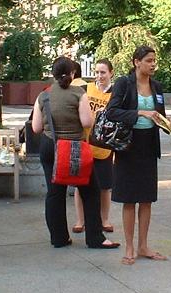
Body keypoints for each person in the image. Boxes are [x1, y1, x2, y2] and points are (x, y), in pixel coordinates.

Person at [31, 57, 120, 250]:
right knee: (91, 191)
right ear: (73, 74)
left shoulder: (43, 96)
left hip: (50, 147)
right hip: (74, 149)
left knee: (54, 193)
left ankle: (59, 238)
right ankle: (95, 238)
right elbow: (87, 122)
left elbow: (36, 127)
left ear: (53, 74)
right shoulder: (79, 93)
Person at [106, 46, 168, 265]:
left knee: (147, 198)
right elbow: (112, 111)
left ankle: (144, 245)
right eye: (149, 60)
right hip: (128, 145)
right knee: (129, 198)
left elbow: (161, 115)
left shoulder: (157, 87)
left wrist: (168, 125)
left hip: (149, 145)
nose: (153, 64)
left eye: (154, 60)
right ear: (136, 62)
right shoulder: (124, 83)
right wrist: (140, 113)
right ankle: (130, 246)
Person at [72, 58, 115, 234]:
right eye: (97, 72)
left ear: (111, 73)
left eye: (103, 72)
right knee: (79, 184)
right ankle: (80, 220)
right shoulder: (85, 89)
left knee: (105, 185)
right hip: (84, 142)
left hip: (104, 145)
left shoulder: (115, 93)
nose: (99, 76)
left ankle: (104, 220)